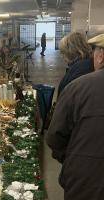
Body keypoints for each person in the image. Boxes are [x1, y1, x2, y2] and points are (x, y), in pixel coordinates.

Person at [46, 33, 104, 200]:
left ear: (100, 56)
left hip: (85, 181)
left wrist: (72, 156)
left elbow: (55, 136)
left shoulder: (78, 86)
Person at [58, 32, 94, 97]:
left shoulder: (80, 71)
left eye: (63, 52)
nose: (62, 56)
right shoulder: (88, 63)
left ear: (71, 51)